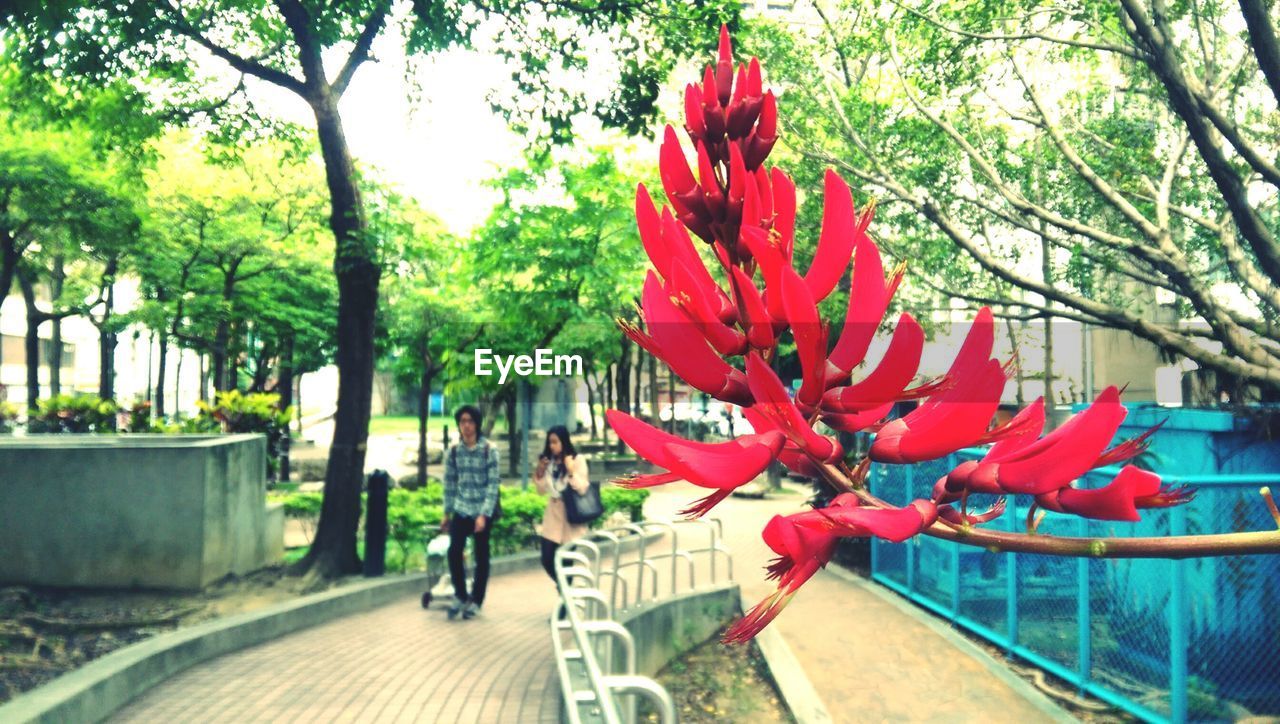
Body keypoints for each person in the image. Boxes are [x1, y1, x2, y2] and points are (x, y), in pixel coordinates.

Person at [441, 404, 500, 620]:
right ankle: (460, 594)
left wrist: (484, 514)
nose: (466, 426)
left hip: (482, 509)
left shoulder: (489, 450)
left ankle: (476, 600)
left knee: (481, 556)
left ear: (477, 424)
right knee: (454, 551)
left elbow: (493, 485)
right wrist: (446, 513)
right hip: (461, 507)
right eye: (462, 421)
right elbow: (449, 483)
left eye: (470, 421)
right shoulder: (454, 452)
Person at [532, 425, 591, 603]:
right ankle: (565, 590)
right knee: (546, 558)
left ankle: (565, 605)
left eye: (555, 442)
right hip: (553, 514)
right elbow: (541, 491)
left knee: (566, 562)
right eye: (550, 442)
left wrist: (571, 470)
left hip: (570, 516)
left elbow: (582, 488)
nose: (552, 446)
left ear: (564, 441)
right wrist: (540, 471)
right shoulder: (548, 462)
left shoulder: (577, 460)